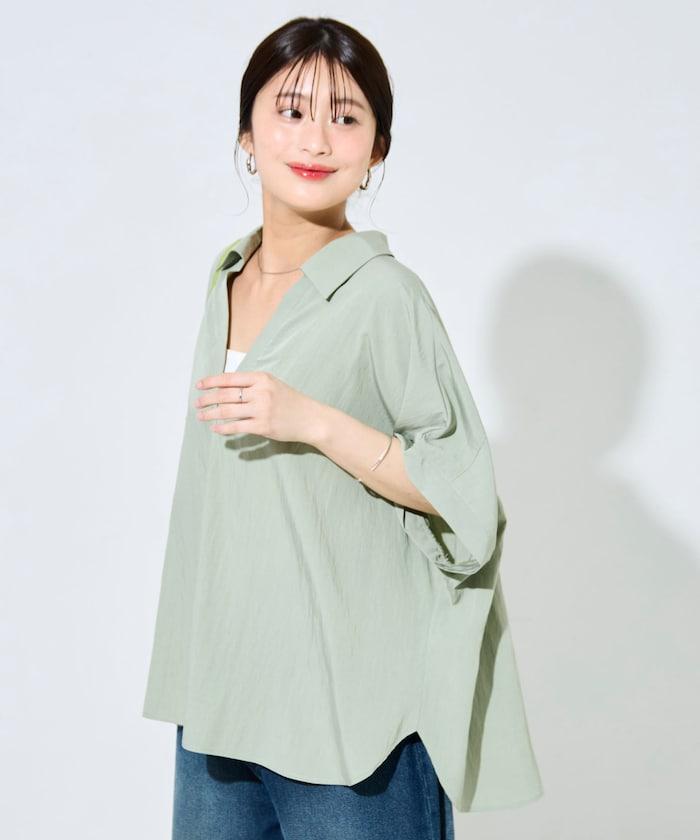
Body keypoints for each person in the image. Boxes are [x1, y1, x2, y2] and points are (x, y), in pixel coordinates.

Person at [142, 15, 543, 840]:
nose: (317, 138)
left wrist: (314, 421)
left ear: (377, 149)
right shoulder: (227, 277)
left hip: (350, 714)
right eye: (291, 110)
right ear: (247, 133)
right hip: (221, 693)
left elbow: (464, 496)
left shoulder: (386, 296)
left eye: (346, 116)